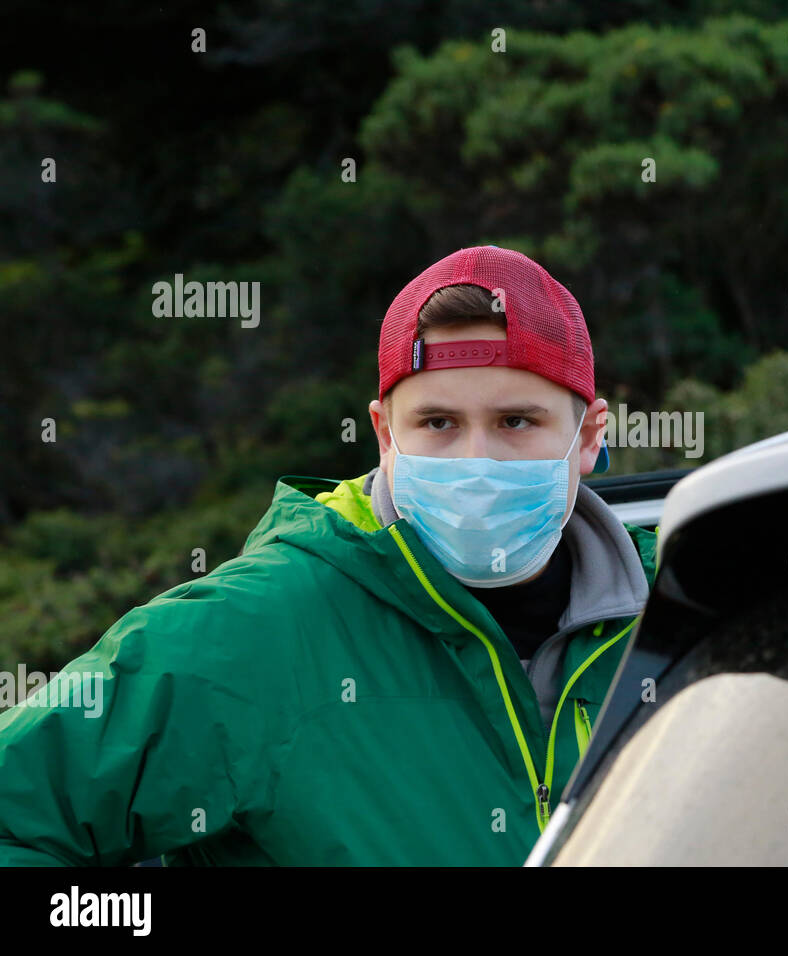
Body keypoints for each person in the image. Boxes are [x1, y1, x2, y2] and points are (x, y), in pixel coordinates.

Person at [0, 245, 657, 865]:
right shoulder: (253, 631)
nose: (475, 461)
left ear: (588, 436)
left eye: (516, 422)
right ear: (384, 435)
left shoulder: (692, 618)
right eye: (437, 423)